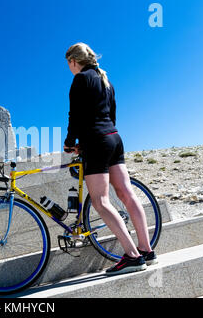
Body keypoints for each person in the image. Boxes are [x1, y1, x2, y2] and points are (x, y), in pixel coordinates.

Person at [63, 42, 157, 276]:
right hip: (114, 138)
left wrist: (70, 143)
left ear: (74, 61)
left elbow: (75, 116)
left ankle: (132, 256)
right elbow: (112, 115)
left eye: (69, 64)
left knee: (101, 201)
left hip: (97, 141)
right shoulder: (107, 82)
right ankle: (146, 250)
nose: (69, 68)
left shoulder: (80, 79)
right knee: (126, 193)